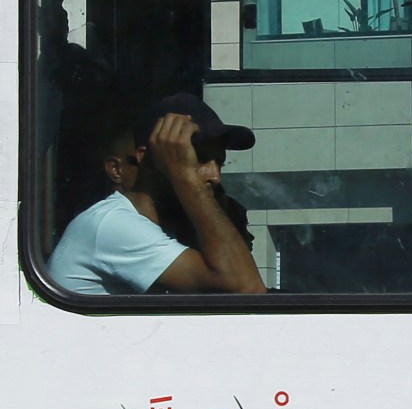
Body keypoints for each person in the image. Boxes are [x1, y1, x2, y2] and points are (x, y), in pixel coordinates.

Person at [47, 94, 266, 295]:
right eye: (198, 158)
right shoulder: (112, 224)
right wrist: (184, 175)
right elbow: (246, 289)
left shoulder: (162, 230)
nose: (215, 176)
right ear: (148, 157)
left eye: (219, 163)